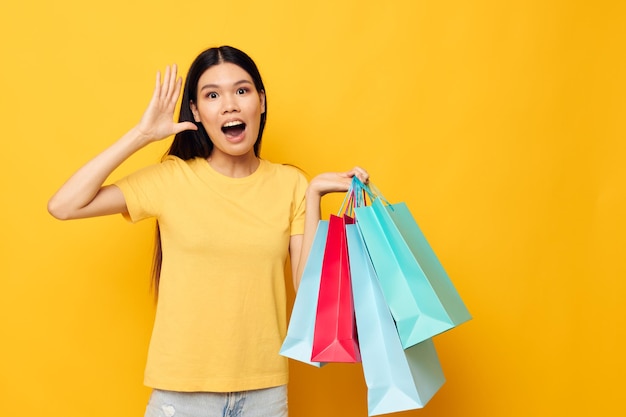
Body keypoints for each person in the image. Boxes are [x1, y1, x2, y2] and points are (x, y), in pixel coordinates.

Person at [47, 45, 368, 417]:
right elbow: (64, 206)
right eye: (212, 95)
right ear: (197, 112)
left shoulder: (291, 185)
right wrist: (141, 134)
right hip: (182, 396)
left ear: (261, 102)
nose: (229, 105)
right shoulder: (172, 179)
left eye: (242, 91)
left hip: (264, 393)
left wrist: (314, 194)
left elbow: (309, 293)